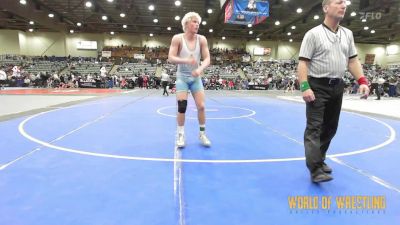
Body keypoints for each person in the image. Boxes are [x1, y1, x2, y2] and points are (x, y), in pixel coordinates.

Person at [297, 0, 370, 183]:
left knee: (330, 127)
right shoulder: (312, 34)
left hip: (337, 86)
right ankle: (315, 169)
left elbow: (352, 61)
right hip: (317, 86)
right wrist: (305, 86)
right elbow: (303, 62)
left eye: (344, 3)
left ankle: (319, 159)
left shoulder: (348, 34)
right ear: (326, 8)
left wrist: (362, 80)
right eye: (338, 2)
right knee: (314, 127)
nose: (343, 5)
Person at [168, 12, 211, 148]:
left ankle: (202, 133)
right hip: (182, 77)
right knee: (182, 107)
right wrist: (185, 60)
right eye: (194, 22)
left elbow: (208, 59)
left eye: (198, 22)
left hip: (195, 77)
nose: (197, 24)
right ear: (186, 24)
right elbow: (171, 57)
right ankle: (181, 134)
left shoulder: (202, 39)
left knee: (202, 106)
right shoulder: (177, 39)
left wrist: (200, 69)